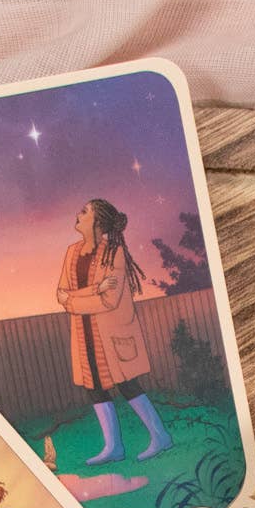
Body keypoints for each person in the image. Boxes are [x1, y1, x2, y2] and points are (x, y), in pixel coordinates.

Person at [55, 198, 173, 466]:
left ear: (97, 222)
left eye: (84, 211)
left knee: (126, 383)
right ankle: (113, 447)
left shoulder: (113, 253)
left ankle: (160, 436)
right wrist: (94, 289)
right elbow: (60, 295)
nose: (78, 213)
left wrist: (74, 300)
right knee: (94, 387)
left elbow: (107, 300)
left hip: (111, 335)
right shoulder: (71, 252)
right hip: (84, 334)